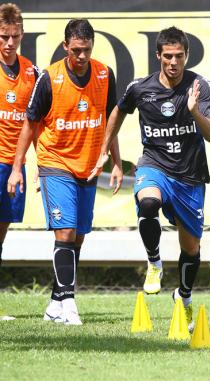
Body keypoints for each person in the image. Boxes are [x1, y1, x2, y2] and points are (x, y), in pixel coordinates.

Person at [89, 26, 210, 331]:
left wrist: (194, 111)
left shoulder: (200, 86)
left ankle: (183, 297)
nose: (173, 62)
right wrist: (105, 150)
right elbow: (118, 112)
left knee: (192, 248)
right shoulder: (140, 88)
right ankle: (154, 263)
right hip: (154, 165)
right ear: (158, 55)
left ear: (187, 55)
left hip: (190, 175)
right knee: (147, 203)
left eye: (179, 56)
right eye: (168, 56)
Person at [7, 19, 123, 325]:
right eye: (76, 50)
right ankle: (70, 303)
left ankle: (56, 301)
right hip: (55, 162)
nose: (82, 56)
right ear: (65, 47)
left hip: (88, 166)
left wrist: (117, 162)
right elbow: (30, 124)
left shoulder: (104, 74)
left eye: (86, 50)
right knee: (66, 232)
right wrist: (18, 168)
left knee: (79, 237)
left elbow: (110, 122)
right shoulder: (50, 78)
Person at [0, 3, 39, 321]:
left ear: (22, 35)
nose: (9, 43)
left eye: (14, 36)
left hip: (15, 166)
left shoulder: (31, 72)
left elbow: (36, 122)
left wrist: (37, 164)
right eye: (3, 36)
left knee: (2, 231)